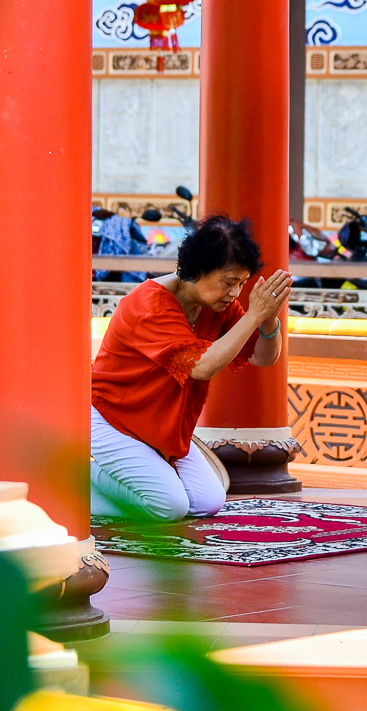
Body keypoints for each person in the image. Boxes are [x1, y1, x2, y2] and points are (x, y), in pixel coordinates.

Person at [90, 215, 293, 522]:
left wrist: (267, 320)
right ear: (196, 270)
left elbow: (264, 358)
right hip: (110, 418)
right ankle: (76, 479)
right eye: (228, 282)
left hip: (163, 429)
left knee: (207, 503)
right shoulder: (149, 305)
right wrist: (253, 316)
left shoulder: (215, 305)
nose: (235, 293)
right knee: (170, 507)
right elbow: (202, 367)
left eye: (241, 283)